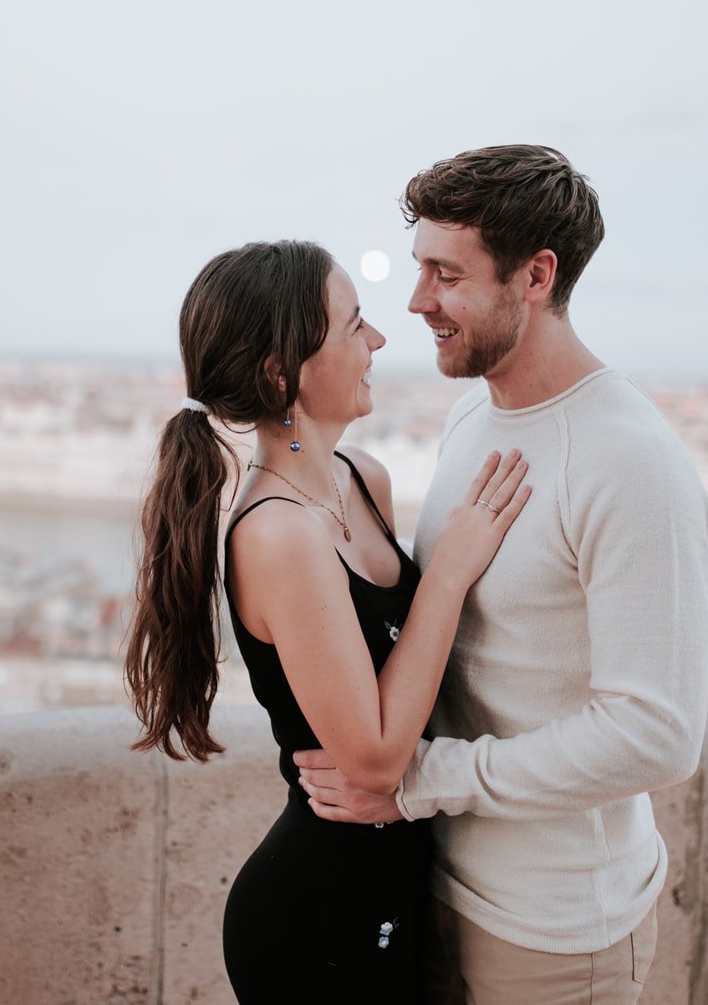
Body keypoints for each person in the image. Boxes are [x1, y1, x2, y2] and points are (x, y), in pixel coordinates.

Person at [293, 146, 708, 1005]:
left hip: (554, 931)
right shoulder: (471, 416)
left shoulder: (631, 461)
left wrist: (420, 780)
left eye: (445, 274)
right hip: (434, 884)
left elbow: (657, 733)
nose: (416, 302)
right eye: (418, 270)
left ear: (536, 275)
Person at [123, 239, 532, 1004]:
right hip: (317, 923)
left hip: (396, 897)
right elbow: (376, 758)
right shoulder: (279, 533)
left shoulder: (360, 479)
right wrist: (447, 571)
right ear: (283, 373)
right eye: (353, 325)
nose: (377, 339)